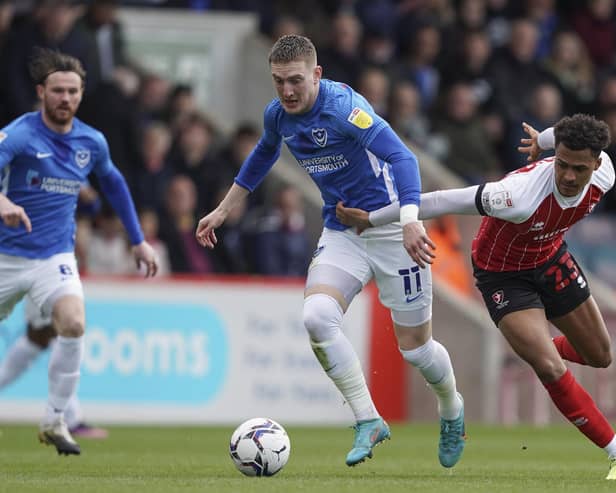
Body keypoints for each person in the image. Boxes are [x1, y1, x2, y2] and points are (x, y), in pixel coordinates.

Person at [195, 34, 466, 468]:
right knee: (316, 316)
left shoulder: (344, 110)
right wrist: (224, 210)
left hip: (393, 229)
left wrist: (411, 219)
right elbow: (263, 155)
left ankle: (451, 409)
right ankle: (367, 419)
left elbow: (404, 159)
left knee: (416, 350)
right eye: (279, 81)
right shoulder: (278, 115)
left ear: (317, 75)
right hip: (343, 231)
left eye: (296, 81)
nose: (287, 91)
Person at [336, 114, 616, 480]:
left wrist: (543, 140)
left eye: (578, 169)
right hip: (503, 274)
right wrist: (372, 220)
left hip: (549, 256)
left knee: (600, 356)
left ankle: (539, 348)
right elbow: (440, 201)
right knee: (549, 368)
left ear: (595, 164)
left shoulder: (605, 173)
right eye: (561, 164)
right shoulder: (515, 196)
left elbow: (562, 139)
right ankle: (612, 450)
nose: (567, 176)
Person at [0, 48, 158, 455]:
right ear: (41, 92)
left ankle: (55, 420)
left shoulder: (92, 141)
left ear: (81, 94)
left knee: (72, 323)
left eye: (72, 90)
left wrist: (137, 239)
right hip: (6, 255)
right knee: (39, 335)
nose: (65, 98)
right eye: (57, 91)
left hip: (54, 258)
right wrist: (3, 203)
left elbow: (115, 185)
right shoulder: (18, 134)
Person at [0, 297, 108, 439]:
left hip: (55, 286)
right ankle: (72, 420)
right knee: (54, 336)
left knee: (41, 340)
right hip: (44, 288)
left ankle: (71, 419)